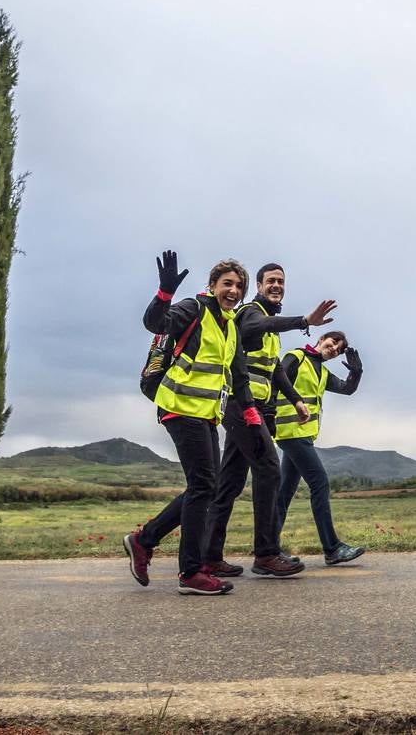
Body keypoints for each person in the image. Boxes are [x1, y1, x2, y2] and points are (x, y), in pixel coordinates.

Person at [123, 251, 266, 596]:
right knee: (204, 485)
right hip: (178, 406)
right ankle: (190, 572)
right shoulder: (194, 308)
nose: (233, 290)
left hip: (205, 414)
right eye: (226, 283)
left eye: (238, 286)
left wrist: (249, 411)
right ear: (213, 285)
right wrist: (164, 293)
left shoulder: (230, 326)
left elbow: (237, 373)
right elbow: (155, 324)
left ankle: (144, 540)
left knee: (205, 487)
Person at [204, 263, 336, 578]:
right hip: (240, 404)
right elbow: (250, 329)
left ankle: (208, 556)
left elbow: (274, 368)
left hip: (253, 407)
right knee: (268, 469)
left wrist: (296, 401)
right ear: (260, 286)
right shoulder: (251, 312)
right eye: (271, 281)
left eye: (281, 281)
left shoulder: (269, 329)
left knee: (231, 484)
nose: (277, 285)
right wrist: (303, 321)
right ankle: (265, 553)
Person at [274, 331, 366, 566]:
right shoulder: (296, 357)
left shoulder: (322, 371)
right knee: (320, 483)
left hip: (302, 435)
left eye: (339, 348)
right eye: (333, 342)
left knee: (284, 493)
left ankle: (268, 548)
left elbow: (347, 389)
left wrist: (356, 372)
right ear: (322, 338)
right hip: (291, 432)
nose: (334, 348)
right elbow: (277, 382)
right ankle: (332, 548)